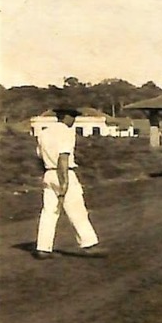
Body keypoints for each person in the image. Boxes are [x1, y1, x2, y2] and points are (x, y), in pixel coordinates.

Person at [34, 107, 107, 259]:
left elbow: (39, 157)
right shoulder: (66, 132)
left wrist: (48, 174)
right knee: (77, 211)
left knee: (49, 212)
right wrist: (64, 182)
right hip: (64, 173)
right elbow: (63, 158)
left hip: (48, 172)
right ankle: (89, 244)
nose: (73, 120)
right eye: (72, 117)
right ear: (65, 117)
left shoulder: (44, 132)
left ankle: (43, 247)